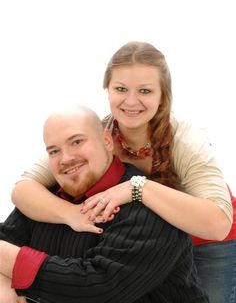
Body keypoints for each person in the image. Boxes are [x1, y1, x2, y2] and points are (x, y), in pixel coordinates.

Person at [11, 42, 236, 302]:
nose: (131, 101)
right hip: (146, 242)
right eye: (120, 89)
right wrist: (72, 214)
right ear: (107, 91)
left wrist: (136, 188)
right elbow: (24, 189)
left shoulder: (185, 141)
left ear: (163, 95)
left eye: (145, 91)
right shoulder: (96, 136)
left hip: (207, 240)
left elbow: (218, 224)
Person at [0, 106, 209, 303]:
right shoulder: (45, 198)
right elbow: (6, 240)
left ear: (107, 141)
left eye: (77, 142)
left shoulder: (152, 209)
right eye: (54, 151)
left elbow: (96, 289)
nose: (65, 158)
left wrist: (14, 270)